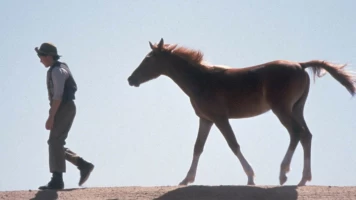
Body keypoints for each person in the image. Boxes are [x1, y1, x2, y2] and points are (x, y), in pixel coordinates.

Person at [34, 42, 94, 190]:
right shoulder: (58, 69)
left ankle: (57, 179)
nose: (40, 60)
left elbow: (58, 96)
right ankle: (82, 165)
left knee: (55, 142)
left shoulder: (57, 71)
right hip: (62, 107)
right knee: (56, 142)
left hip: (63, 107)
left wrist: (51, 116)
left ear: (48, 56)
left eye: (41, 56)